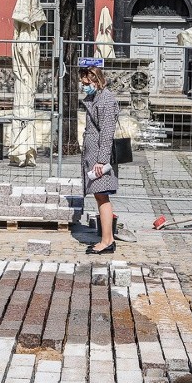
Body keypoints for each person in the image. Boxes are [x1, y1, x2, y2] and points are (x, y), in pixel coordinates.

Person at [80, 65, 119, 254]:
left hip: (99, 158)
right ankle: (108, 238)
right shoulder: (96, 97)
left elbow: (107, 132)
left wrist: (101, 160)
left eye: (86, 83)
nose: (84, 86)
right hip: (94, 155)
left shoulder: (105, 100)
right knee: (100, 196)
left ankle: (106, 242)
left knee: (102, 196)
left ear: (95, 79)